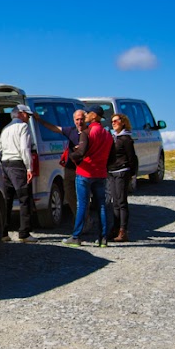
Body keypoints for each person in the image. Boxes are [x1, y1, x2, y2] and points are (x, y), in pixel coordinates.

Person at [62, 105, 113, 247]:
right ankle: (103, 238)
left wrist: (71, 156)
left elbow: (80, 153)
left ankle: (76, 236)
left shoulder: (87, 132)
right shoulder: (107, 134)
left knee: (83, 205)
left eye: (88, 113)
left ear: (94, 116)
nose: (85, 116)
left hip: (85, 172)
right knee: (101, 205)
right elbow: (111, 155)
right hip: (101, 173)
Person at [33, 109, 86, 222]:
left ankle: (85, 220)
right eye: (77, 119)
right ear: (74, 120)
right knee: (69, 193)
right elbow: (55, 128)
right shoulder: (71, 131)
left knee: (83, 196)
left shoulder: (89, 132)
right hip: (70, 168)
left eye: (82, 119)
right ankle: (78, 217)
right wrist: (40, 120)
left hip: (85, 169)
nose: (79, 122)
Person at [0, 104, 38, 243]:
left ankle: (3, 232)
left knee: (7, 199)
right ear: (20, 113)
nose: (28, 118)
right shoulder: (23, 127)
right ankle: (24, 233)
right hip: (18, 164)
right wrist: (29, 168)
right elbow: (25, 148)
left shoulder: (5, 128)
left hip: (5, 163)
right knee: (24, 198)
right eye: (27, 115)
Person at [107, 113, 138, 242]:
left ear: (123, 122)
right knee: (115, 202)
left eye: (116, 121)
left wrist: (130, 174)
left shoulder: (126, 139)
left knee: (121, 202)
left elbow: (132, 158)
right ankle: (115, 228)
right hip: (112, 172)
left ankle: (123, 230)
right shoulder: (114, 137)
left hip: (122, 171)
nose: (113, 123)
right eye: (112, 121)